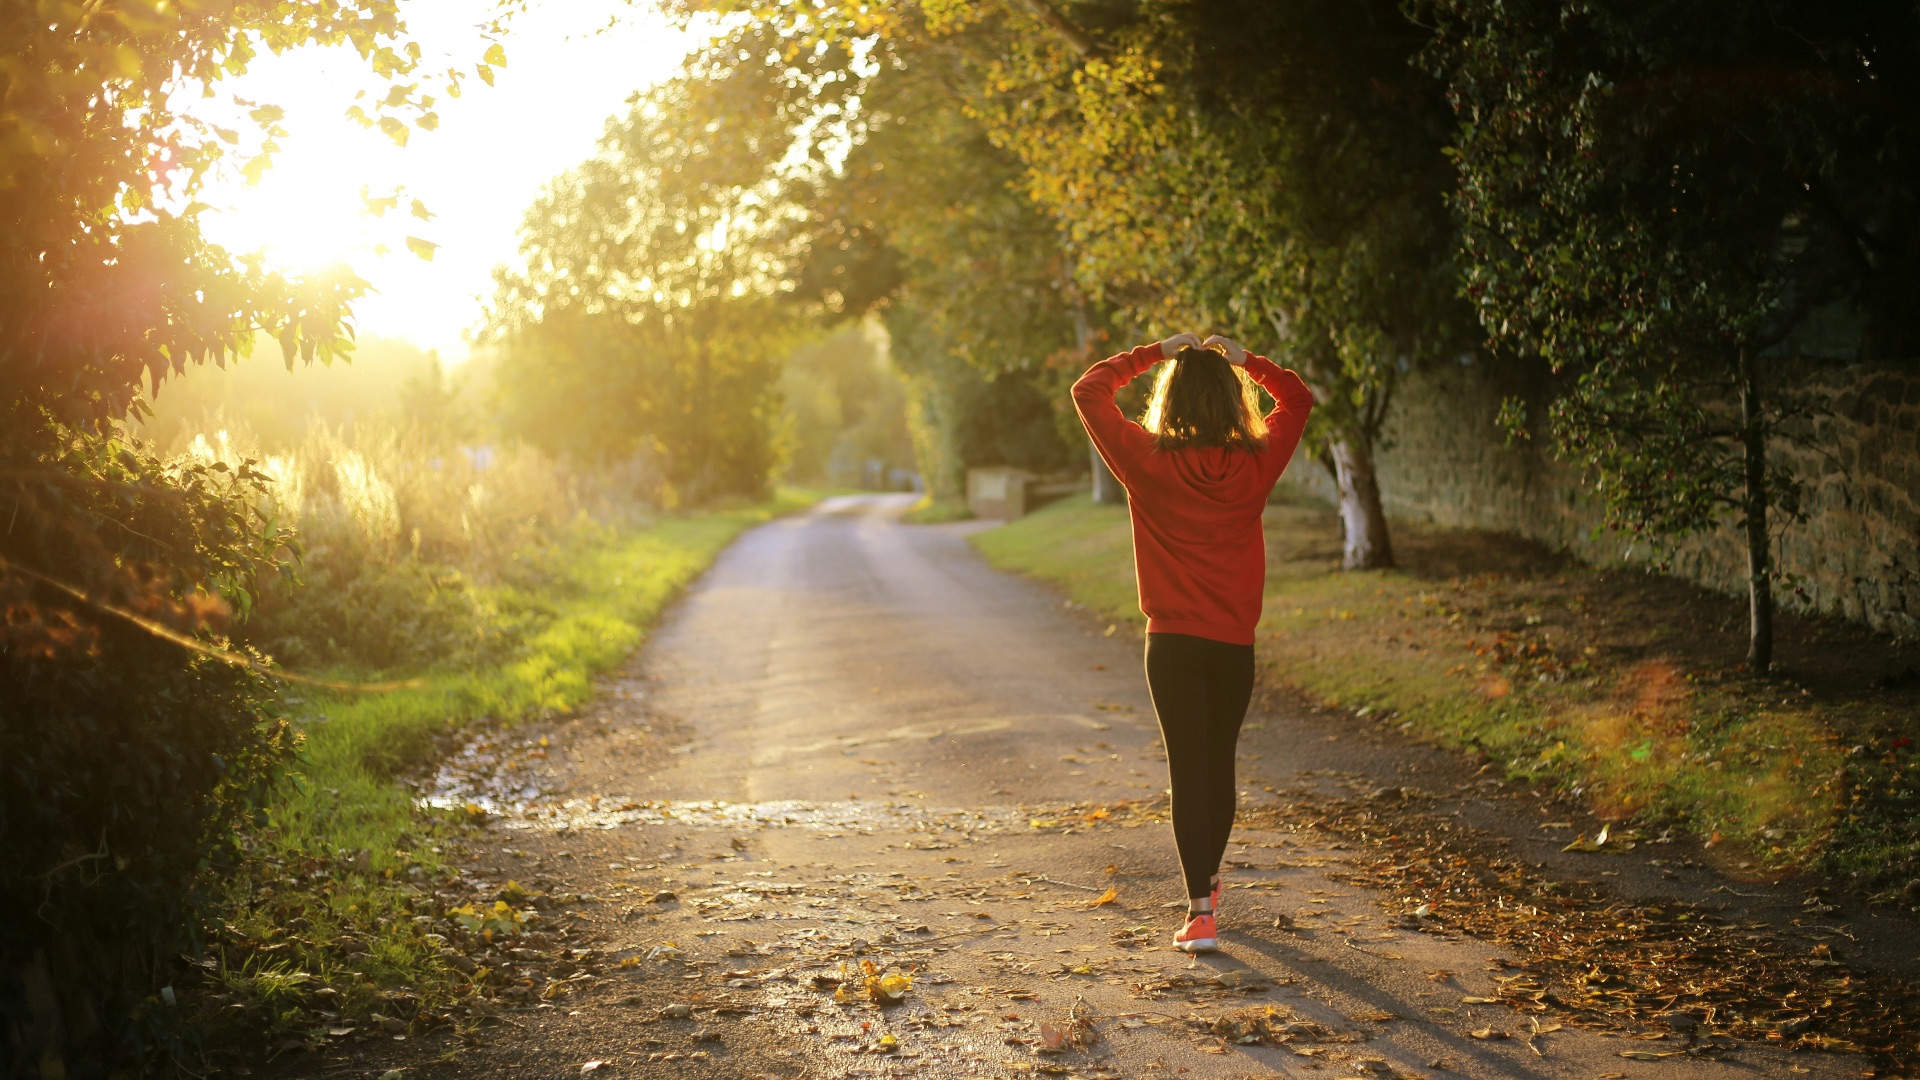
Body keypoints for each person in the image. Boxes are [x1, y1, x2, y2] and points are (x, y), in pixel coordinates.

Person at [1072, 332, 1314, 953]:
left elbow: (1089, 389)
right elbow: (1298, 397)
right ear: (1233, 403)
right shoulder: (1257, 462)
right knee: (1219, 763)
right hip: (1233, 643)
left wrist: (1154, 352)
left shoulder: (1145, 459)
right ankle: (1205, 886)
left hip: (1172, 643)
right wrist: (1247, 362)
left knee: (1189, 768)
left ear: (1170, 400)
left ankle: (1201, 911)